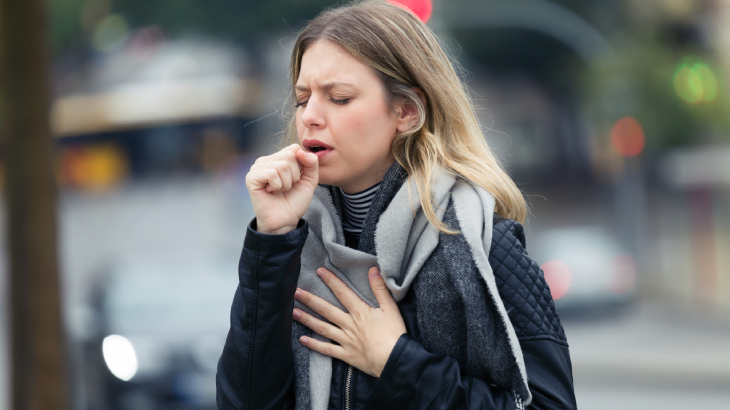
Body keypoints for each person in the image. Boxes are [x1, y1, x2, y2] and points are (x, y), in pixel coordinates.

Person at [216, 1, 577, 409]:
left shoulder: (484, 242)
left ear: (406, 111)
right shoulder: (290, 244)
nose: (310, 117)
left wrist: (396, 361)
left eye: (339, 97)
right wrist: (272, 239)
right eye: (302, 99)